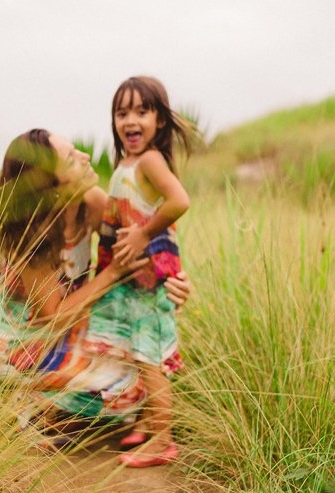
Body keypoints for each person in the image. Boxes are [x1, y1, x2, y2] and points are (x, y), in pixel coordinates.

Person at [0, 129, 190, 443]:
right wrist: (113, 273)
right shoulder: (30, 234)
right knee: (123, 384)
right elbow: (51, 317)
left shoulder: (91, 202)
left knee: (146, 365)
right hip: (26, 340)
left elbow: (140, 244)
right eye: (71, 160)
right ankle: (40, 411)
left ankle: (60, 414)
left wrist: (174, 282)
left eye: (77, 151)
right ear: (50, 186)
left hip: (75, 322)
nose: (86, 158)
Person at [86, 76, 194, 467]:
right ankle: (148, 423)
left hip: (149, 282)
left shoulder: (150, 160)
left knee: (150, 362)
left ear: (159, 121)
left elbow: (179, 200)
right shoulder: (127, 164)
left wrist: (145, 233)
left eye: (141, 111)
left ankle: (163, 441)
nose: (130, 120)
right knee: (137, 354)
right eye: (121, 112)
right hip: (133, 282)